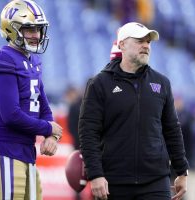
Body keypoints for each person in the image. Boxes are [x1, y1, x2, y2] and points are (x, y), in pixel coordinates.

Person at [79, 22, 189, 200]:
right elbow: (88, 133)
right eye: (139, 41)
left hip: (156, 180)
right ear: (121, 44)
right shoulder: (99, 84)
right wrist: (95, 174)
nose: (146, 45)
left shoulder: (162, 83)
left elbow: (172, 130)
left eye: (148, 42)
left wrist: (182, 170)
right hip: (114, 181)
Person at [0, 0, 63, 199]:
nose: (36, 35)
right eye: (30, 29)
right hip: (5, 151)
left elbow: (43, 106)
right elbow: (11, 115)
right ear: (12, 29)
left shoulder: (33, 61)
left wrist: (51, 136)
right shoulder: (2, 59)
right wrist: (47, 129)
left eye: (38, 29)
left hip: (26, 153)